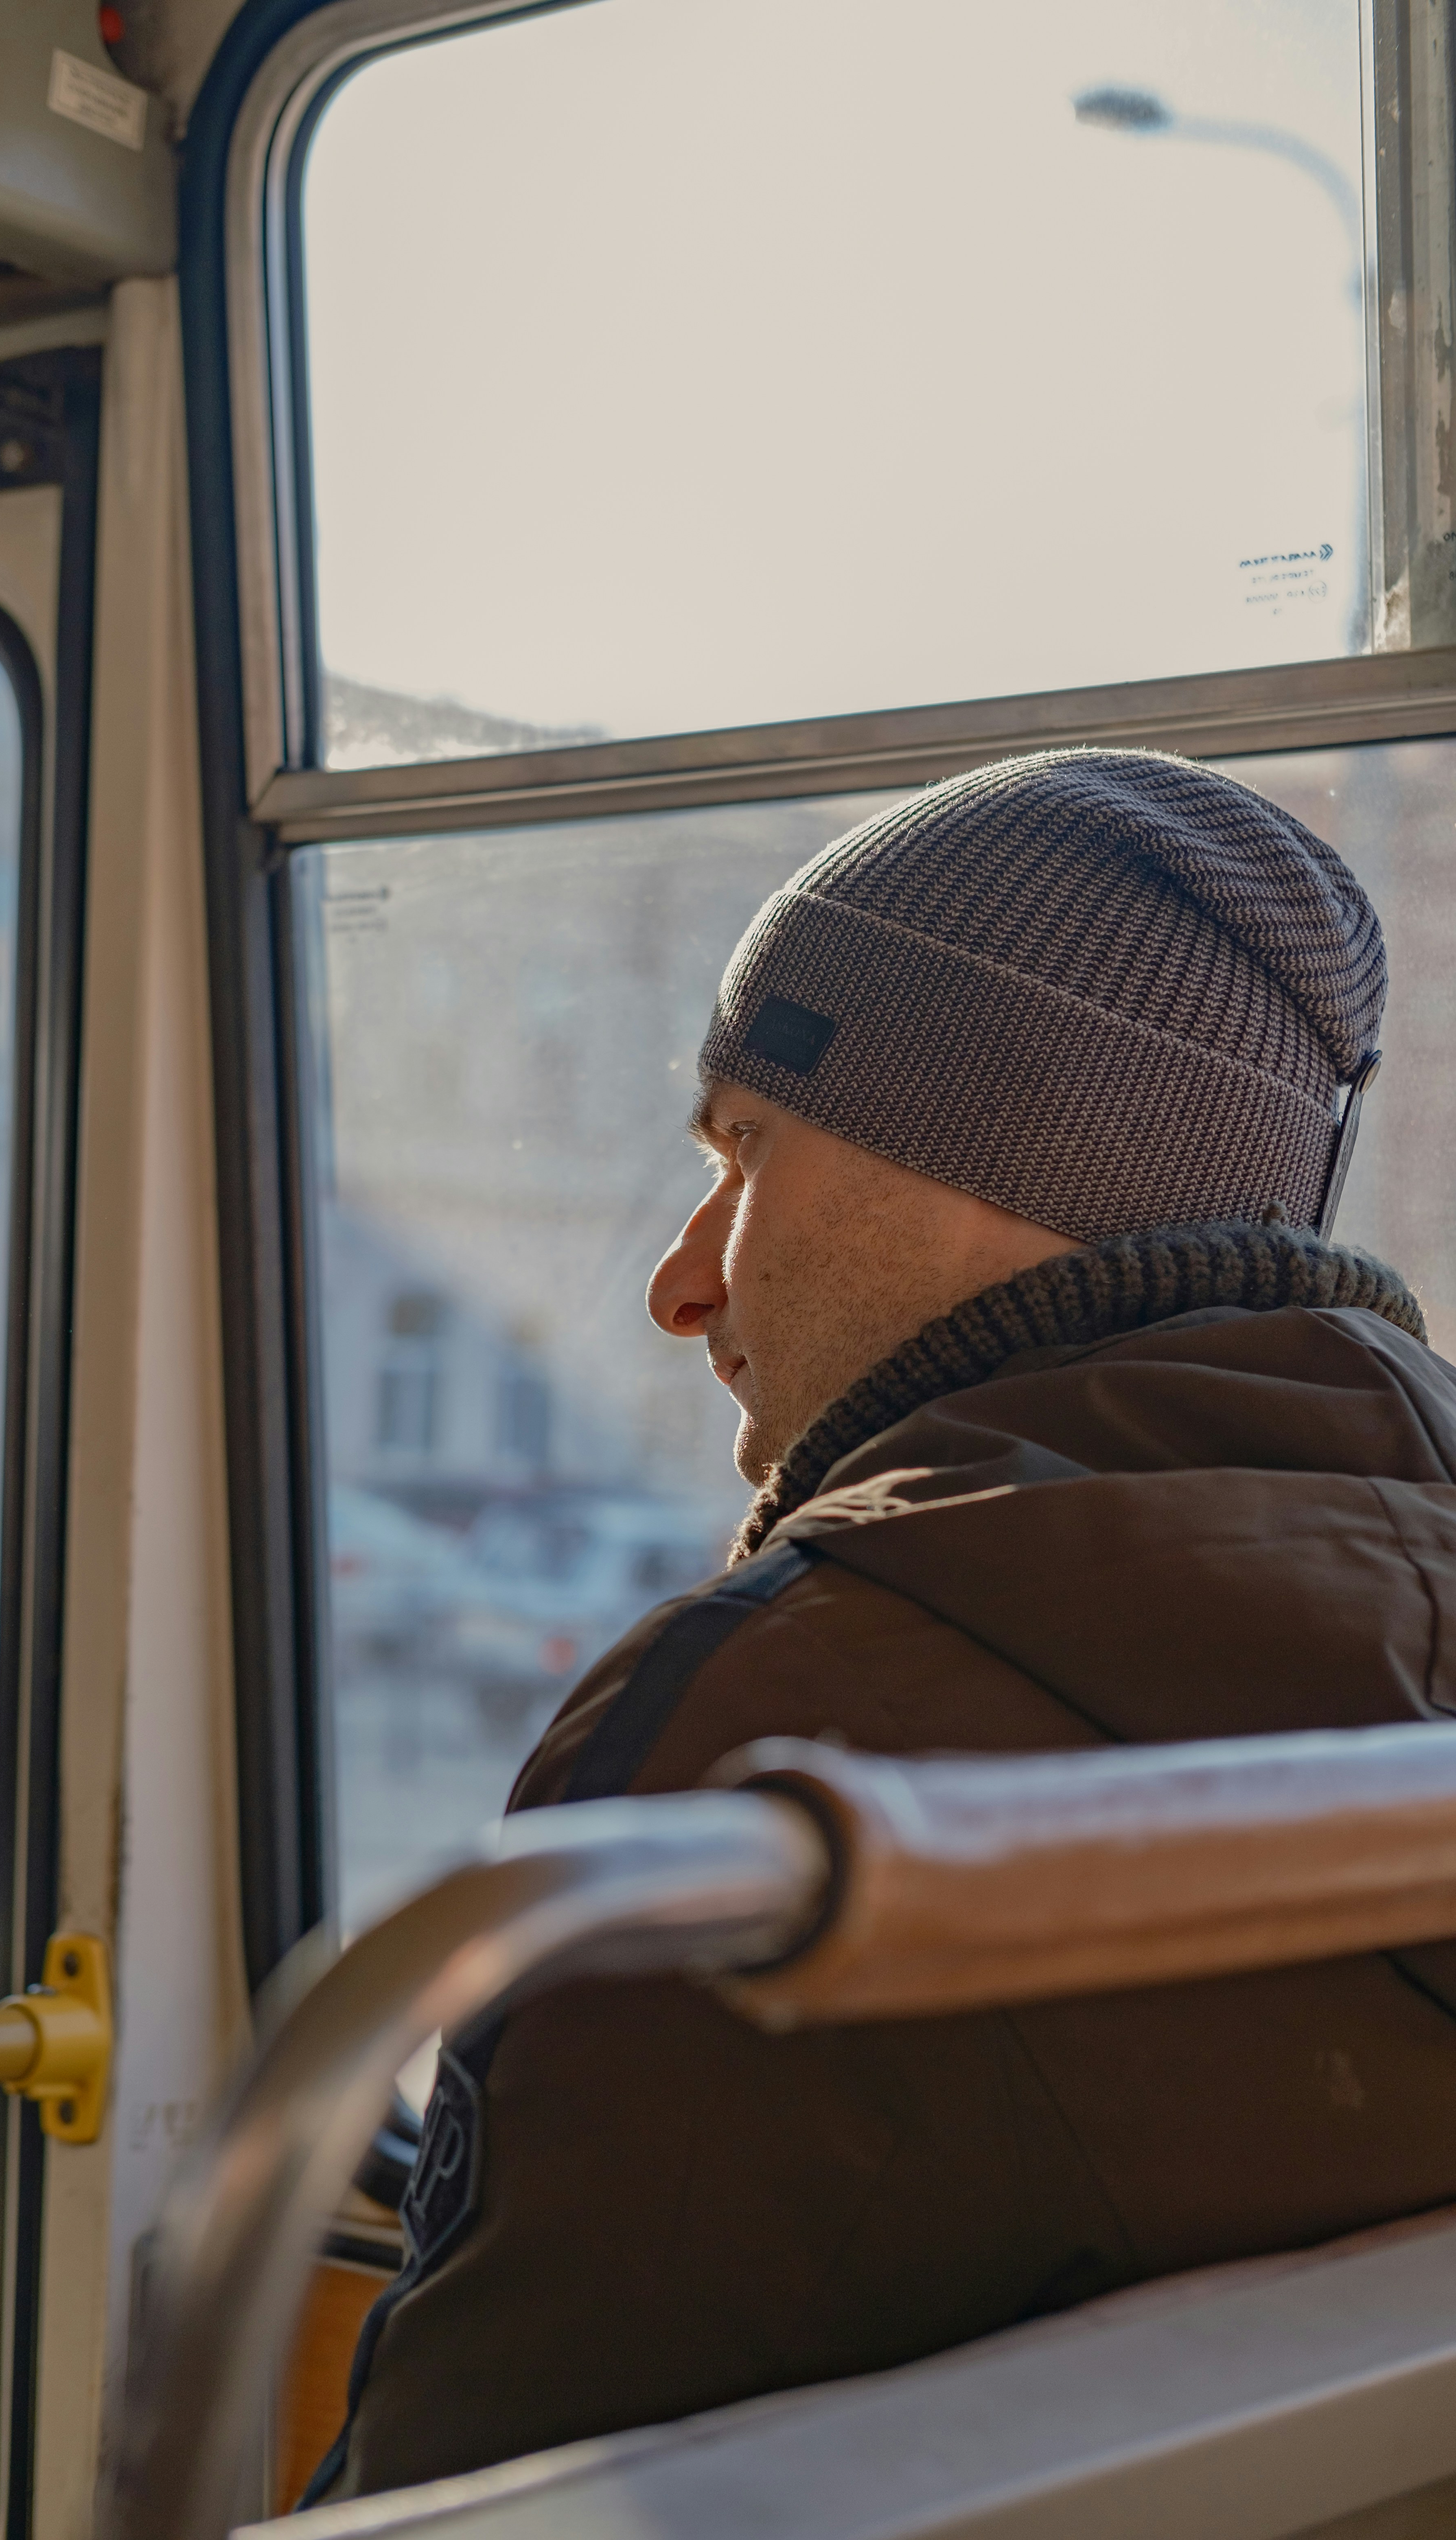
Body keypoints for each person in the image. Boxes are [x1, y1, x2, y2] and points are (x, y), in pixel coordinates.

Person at [310, 747, 1456, 2503]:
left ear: (998, 1154)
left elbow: (476, 2481)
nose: (681, 1280)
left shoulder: (770, 1720)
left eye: (744, 1150)